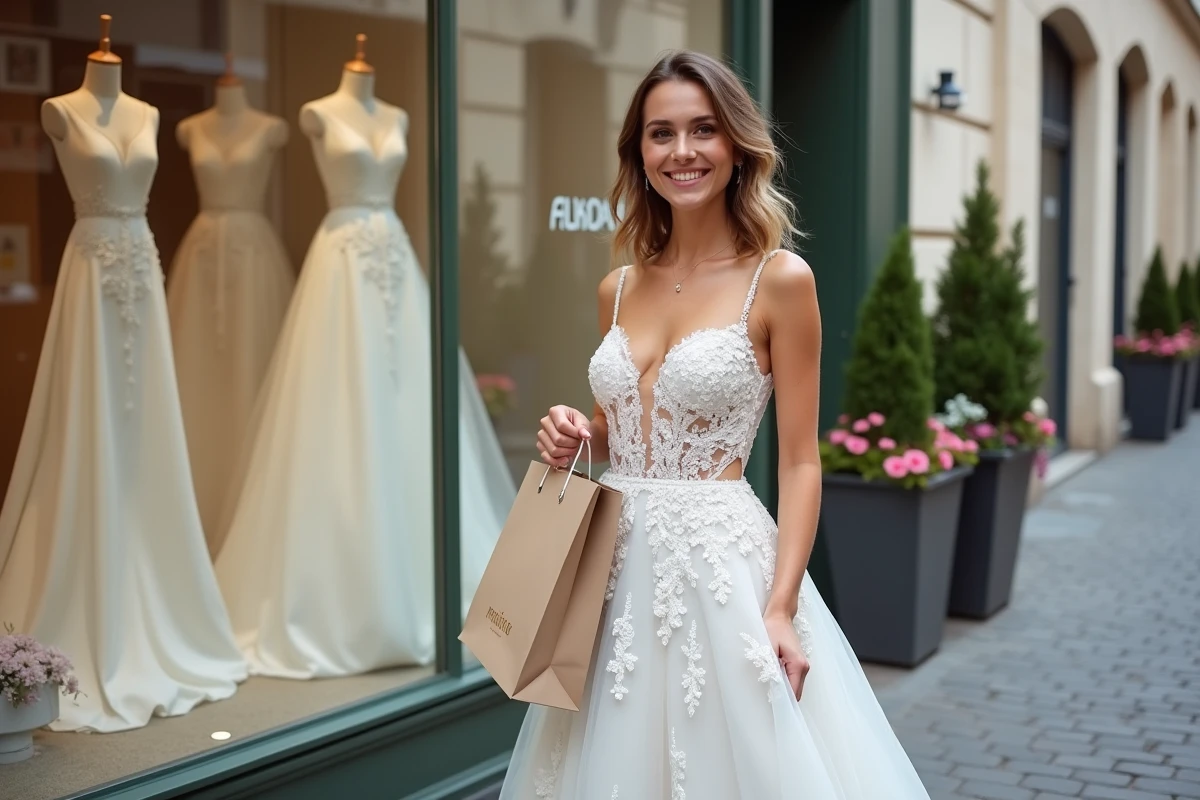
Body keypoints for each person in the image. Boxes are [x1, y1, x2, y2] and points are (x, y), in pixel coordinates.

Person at [497, 50, 931, 799]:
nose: (683, 151)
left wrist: (782, 605)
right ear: (639, 153)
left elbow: (800, 462)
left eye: (704, 130)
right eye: (661, 134)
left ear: (736, 146)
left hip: (720, 570)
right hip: (610, 568)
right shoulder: (617, 286)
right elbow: (622, 424)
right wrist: (577, 430)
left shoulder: (781, 280)